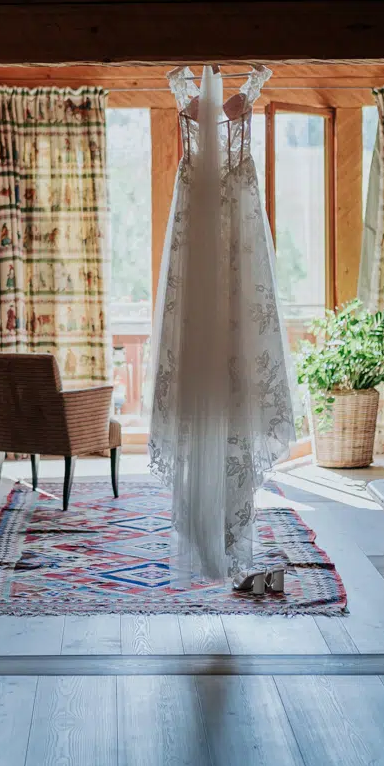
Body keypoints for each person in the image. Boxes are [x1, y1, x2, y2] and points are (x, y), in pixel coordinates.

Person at [147, 64, 295, 588]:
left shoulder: (204, 104)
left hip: (236, 253)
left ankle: (231, 534)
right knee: (207, 390)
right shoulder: (194, 102)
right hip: (208, 258)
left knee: (234, 384)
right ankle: (204, 533)